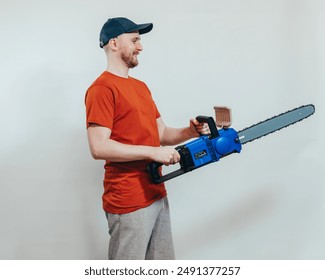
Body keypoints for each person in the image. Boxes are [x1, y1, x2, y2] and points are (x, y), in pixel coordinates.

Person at [85, 17, 208, 260]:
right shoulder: (102, 89)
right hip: (128, 200)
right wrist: (152, 152)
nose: (140, 47)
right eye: (135, 40)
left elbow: (161, 134)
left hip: (155, 192)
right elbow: (98, 147)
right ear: (114, 43)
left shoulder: (141, 87)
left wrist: (189, 131)